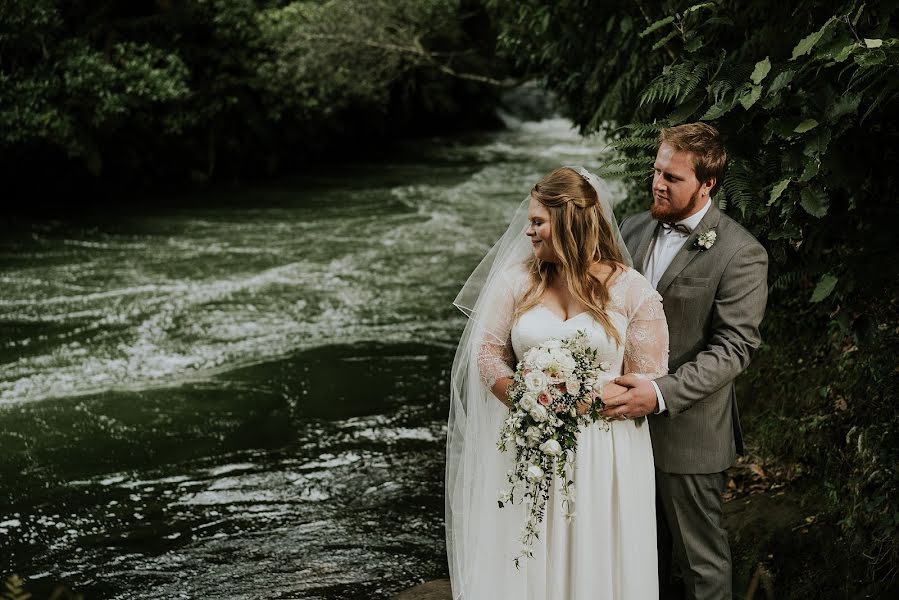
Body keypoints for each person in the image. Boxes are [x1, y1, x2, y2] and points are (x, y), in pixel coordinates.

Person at [446, 166, 669, 599]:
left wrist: (577, 402)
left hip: (605, 451)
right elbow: (487, 353)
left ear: (568, 222)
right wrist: (525, 398)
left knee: (596, 555)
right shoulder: (516, 282)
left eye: (537, 221)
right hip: (528, 443)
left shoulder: (630, 291)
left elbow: (648, 376)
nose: (528, 231)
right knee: (528, 556)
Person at [603, 123, 769, 600]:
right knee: (633, 560)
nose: (657, 183)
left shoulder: (741, 253)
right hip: (617, 433)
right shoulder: (630, 230)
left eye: (672, 178)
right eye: (656, 171)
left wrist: (657, 394)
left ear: (707, 184)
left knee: (701, 568)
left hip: (690, 435)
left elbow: (734, 348)